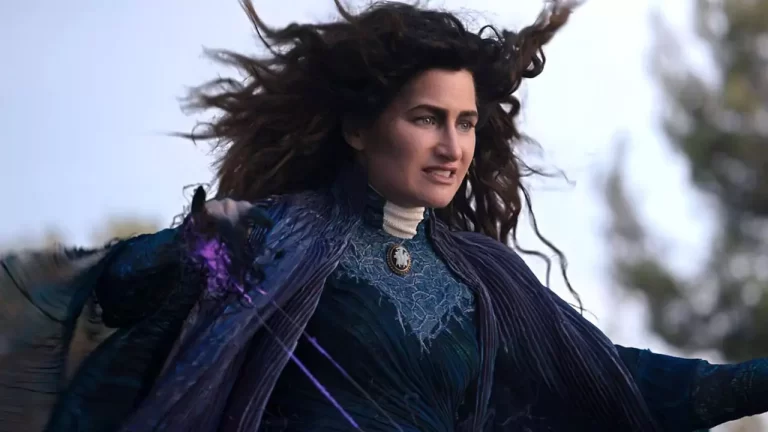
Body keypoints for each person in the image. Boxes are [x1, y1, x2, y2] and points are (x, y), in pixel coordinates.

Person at [2, 1, 768, 431]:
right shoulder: (274, 236)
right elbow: (118, 291)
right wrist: (200, 250)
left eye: (465, 124)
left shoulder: (489, 283)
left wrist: (754, 382)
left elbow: (614, 380)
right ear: (359, 127)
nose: (452, 147)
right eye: (427, 119)